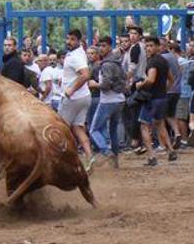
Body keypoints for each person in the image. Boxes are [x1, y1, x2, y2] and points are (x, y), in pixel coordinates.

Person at [59, 29, 95, 170]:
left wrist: (71, 89)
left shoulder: (75, 56)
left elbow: (85, 75)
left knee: (61, 130)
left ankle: (64, 162)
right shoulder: (79, 52)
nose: (69, 41)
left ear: (79, 41)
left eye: (72, 39)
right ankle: (89, 157)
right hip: (84, 97)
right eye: (68, 38)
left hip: (73, 98)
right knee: (78, 128)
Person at [136, 37, 175, 166]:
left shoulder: (152, 62)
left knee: (144, 125)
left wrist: (140, 85)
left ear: (158, 47)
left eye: (151, 45)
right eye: (147, 46)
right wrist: (164, 90)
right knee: (160, 124)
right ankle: (170, 151)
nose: (148, 48)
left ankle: (152, 156)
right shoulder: (164, 61)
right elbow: (171, 79)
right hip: (162, 98)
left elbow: (151, 79)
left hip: (151, 99)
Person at [88, 36, 126, 167]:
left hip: (108, 100)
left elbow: (106, 85)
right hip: (119, 99)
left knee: (93, 130)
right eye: (100, 46)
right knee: (113, 129)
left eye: (104, 46)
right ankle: (115, 159)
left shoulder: (107, 64)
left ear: (110, 46)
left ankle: (106, 151)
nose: (101, 49)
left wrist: (94, 84)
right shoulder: (116, 62)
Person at [122, 26, 146, 152]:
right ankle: (139, 141)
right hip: (141, 81)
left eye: (135, 33)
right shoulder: (139, 47)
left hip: (137, 82)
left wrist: (125, 81)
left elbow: (132, 68)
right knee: (138, 113)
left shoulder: (136, 48)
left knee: (134, 113)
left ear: (140, 35)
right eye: (130, 33)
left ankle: (135, 141)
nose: (132, 36)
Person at [162, 42, 187, 148]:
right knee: (170, 115)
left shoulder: (161, 58)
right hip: (177, 90)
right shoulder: (174, 57)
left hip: (167, 90)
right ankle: (177, 133)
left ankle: (164, 144)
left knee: (160, 118)